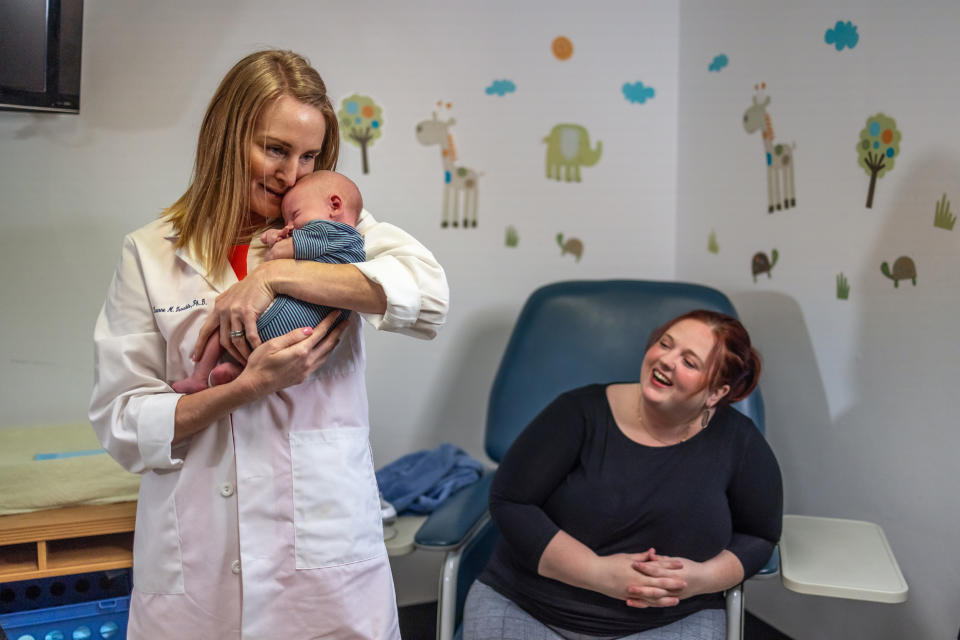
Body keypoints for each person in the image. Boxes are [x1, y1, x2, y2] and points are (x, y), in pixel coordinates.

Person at [88, 50, 448, 639]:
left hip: (324, 568)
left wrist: (273, 278)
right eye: (275, 149)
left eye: (309, 156)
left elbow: (427, 298)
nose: (291, 175)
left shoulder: (336, 230)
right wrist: (247, 388)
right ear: (225, 137)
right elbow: (122, 423)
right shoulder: (150, 253)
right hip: (197, 569)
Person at [463, 310, 782, 640]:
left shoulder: (740, 443)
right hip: (529, 608)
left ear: (716, 393)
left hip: (670, 622)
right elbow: (511, 501)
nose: (666, 361)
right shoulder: (577, 412)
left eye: (689, 362)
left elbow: (759, 535)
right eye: (664, 344)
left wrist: (701, 578)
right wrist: (596, 572)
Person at [171, 169, 366, 393]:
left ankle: (199, 376)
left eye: (294, 215)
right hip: (305, 333)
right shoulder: (352, 244)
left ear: (334, 205)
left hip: (286, 321)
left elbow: (276, 254)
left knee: (225, 320)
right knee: (247, 340)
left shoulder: (333, 232)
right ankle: (240, 372)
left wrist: (276, 239)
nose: (290, 225)